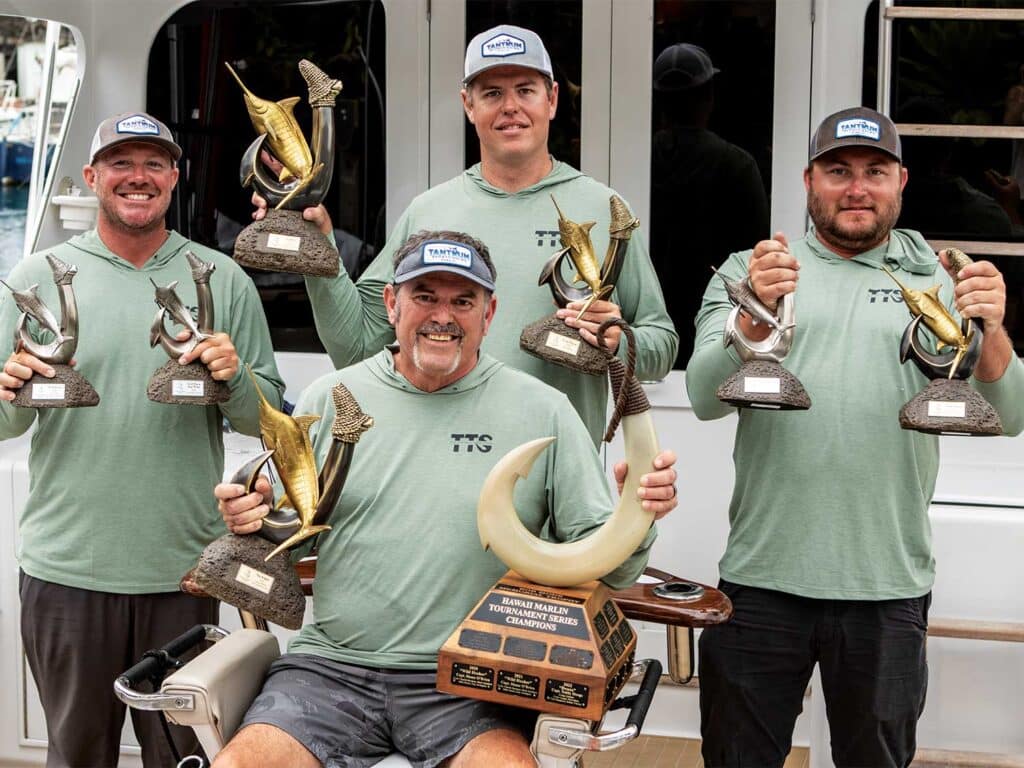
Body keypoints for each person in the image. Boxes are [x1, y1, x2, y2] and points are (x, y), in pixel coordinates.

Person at [210, 230, 679, 768]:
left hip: (472, 680)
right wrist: (253, 517)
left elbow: (611, 569)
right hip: (330, 670)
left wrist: (636, 514)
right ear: (391, 302)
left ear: (490, 311)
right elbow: (285, 546)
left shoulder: (544, 410)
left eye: (463, 300)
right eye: (425, 296)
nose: (443, 315)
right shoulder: (330, 399)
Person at [685, 106, 1024, 767]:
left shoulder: (942, 277)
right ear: (810, 180)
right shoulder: (754, 270)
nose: (856, 188)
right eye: (838, 170)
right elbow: (701, 397)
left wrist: (992, 327)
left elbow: (1011, 414)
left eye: (874, 171)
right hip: (760, 582)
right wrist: (752, 319)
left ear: (901, 181)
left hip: (887, 588)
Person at [0, 112, 284, 767]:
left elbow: (266, 420)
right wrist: (7, 387)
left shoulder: (223, 277)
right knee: (76, 755)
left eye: (155, 163)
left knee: (186, 757)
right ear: (94, 177)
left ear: (175, 178)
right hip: (67, 573)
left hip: (184, 575)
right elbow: (8, 423)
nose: (139, 177)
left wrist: (235, 376)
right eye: (122, 163)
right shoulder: (33, 278)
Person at [254, 24, 678, 445]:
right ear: (467, 105)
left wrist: (617, 340)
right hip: (437, 471)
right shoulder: (429, 211)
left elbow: (661, 346)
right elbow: (358, 346)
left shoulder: (604, 210)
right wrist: (318, 246)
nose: (510, 106)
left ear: (551, 100)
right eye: (492, 93)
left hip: (556, 478)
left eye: (525, 90)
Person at [649, 42, 770, 367]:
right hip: (720, 326)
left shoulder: (635, 163)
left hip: (647, 329)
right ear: (709, 97)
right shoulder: (738, 165)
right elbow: (753, 258)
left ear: (659, 102)